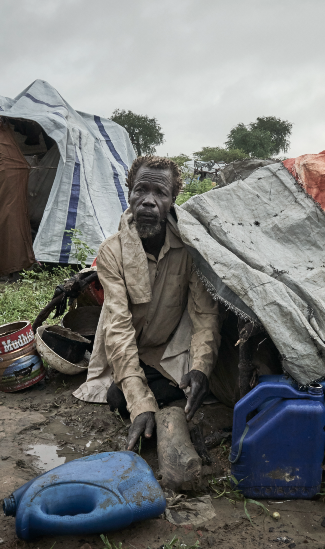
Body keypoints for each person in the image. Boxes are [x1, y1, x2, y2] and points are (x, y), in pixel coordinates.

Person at [82, 156, 221, 453]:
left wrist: (200, 369)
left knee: (199, 382)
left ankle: (166, 389)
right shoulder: (112, 251)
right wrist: (141, 404)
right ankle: (153, 395)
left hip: (169, 347)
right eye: (140, 191)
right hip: (128, 347)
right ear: (129, 192)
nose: (148, 201)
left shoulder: (189, 246)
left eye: (160, 193)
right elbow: (118, 329)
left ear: (173, 200)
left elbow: (204, 314)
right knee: (120, 400)